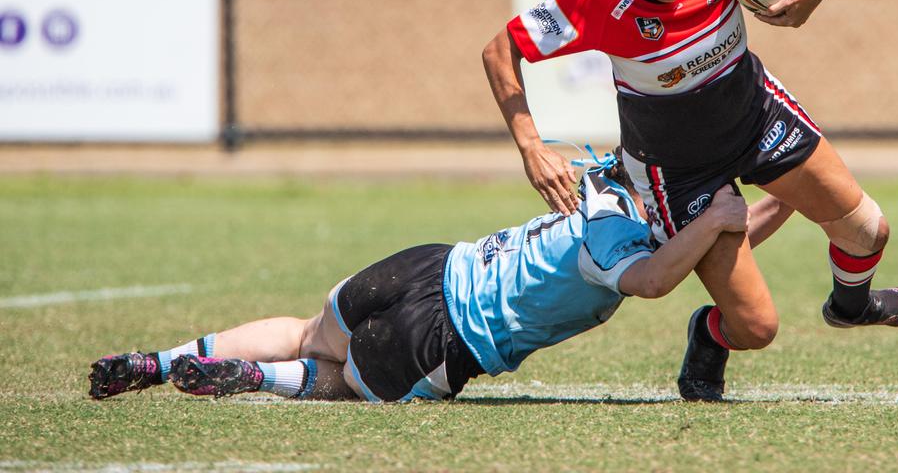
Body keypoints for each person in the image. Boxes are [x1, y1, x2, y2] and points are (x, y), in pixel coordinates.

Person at [477, 0, 898, 402]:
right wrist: (531, 147)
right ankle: (708, 332)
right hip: (675, 170)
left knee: (868, 232)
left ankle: (852, 307)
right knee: (756, 328)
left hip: (757, 120)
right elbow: (499, 52)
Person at [89, 155, 792, 402]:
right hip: (448, 335)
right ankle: (260, 381)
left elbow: (718, 247)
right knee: (338, 380)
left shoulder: (616, 176)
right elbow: (655, 279)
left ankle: (161, 360)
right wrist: (713, 221)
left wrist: (793, 195)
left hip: (433, 262)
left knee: (309, 330)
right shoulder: (624, 242)